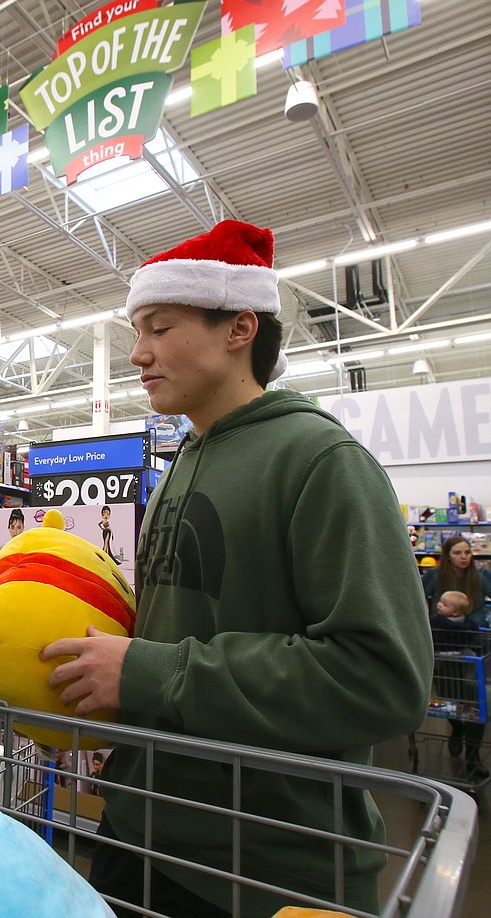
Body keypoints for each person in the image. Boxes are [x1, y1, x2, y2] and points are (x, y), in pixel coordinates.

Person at [40, 220, 432, 917]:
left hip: (266, 872)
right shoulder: (176, 468)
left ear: (239, 328)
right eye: (137, 332)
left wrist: (150, 673)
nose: (137, 353)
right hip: (139, 832)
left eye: (159, 328)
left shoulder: (321, 462)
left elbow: (383, 678)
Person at [429, 588, 488, 777]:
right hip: (446, 669)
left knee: (476, 710)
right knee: (453, 706)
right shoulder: (434, 623)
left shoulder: (469, 624)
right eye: (440, 601)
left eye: (444, 604)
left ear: (456, 612)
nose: (439, 605)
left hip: (467, 670)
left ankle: (473, 755)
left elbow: (476, 639)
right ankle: (457, 730)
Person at [421, 534, 491, 628]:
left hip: (475, 632)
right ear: (448, 556)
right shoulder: (434, 575)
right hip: (442, 631)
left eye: (467, 552)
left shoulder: (482, 575)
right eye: (457, 553)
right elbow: (417, 598)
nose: (463, 557)